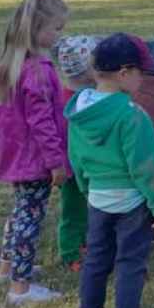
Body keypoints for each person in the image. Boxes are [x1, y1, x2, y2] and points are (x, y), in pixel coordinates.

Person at [66, 33, 154, 308]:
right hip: (131, 204)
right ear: (124, 73)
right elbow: (146, 167)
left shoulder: (79, 110)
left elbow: (77, 159)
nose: (143, 79)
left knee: (96, 260)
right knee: (130, 265)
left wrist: (86, 190)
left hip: (97, 197)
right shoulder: (131, 115)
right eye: (141, 72)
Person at [0, 0, 70, 306]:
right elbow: (42, 124)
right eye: (57, 28)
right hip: (35, 161)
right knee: (30, 219)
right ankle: (21, 288)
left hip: (18, 157)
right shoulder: (39, 71)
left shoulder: (15, 65)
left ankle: (8, 267)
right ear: (37, 30)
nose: (61, 34)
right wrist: (57, 162)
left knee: (19, 213)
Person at [53, 34, 102, 272]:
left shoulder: (70, 96)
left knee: (84, 207)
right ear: (87, 72)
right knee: (73, 210)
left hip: (80, 166)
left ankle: (82, 243)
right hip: (72, 169)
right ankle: (70, 253)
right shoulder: (79, 102)